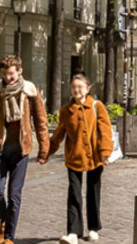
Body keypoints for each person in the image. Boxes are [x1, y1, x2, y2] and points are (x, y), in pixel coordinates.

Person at [0, 55, 50, 244]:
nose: (8, 78)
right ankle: (4, 221)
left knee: (15, 195)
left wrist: (44, 149)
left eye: (11, 74)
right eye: (5, 74)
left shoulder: (30, 91)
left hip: (20, 151)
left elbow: (41, 122)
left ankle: (9, 237)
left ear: (19, 72)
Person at [50, 74, 113, 244]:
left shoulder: (96, 106)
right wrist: (46, 152)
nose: (76, 90)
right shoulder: (66, 111)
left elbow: (105, 130)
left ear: (87, 88)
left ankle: (93, 228)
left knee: (93, 193)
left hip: (95, 157)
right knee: (74, 194)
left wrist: (105, 152)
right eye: (74, 87)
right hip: (74, 157)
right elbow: (58, 134)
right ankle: (73, 232)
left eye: (80, 86)